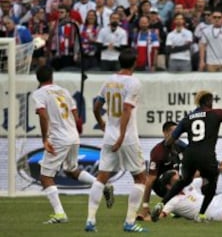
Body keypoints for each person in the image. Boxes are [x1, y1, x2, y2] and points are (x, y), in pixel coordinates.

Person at [151, 90, 222, 223]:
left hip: (190, 155)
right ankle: (201, 214)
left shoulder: (187, 118)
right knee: (212, 181)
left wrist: (170, 149)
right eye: (212, 100)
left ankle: (162, 203)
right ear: (209, 101)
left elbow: (169, 141)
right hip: (206, 155)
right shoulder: (216, 113)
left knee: (184, 181)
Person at [31, 65, 113, 224]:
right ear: (52, 77)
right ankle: (102, 185)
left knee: (45, 176)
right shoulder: (64, 91)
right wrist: (77, 124)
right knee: (71, 169)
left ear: (38, 79)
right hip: (73, 135)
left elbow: (42, 114)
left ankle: (60, 214)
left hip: (58, 138)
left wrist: (44, 139)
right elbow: (76, 115)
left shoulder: (39, 93)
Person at [85, 48, 147, 233]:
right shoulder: (134, 82)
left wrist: (101, 122)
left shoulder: (109, 80)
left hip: (109, 134)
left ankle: (90, 220)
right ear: (134, 63)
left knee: (102, 176)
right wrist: (121, 135)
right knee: (140, 178)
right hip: (126, 137)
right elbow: (127, 109)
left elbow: (97, 105)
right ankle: (129, 222)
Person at [136, 121, 187, 221]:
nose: (176, 135)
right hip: (160, 186)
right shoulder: (158, 151)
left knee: (197, 172)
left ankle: (178, 209)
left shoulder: (181, 145)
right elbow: (150, 180)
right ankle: (154, 212)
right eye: (174, 132)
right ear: (165, 133)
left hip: (176, 183)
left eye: (178, 132)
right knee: (174, 175)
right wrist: (145, 206)